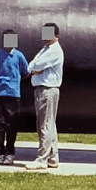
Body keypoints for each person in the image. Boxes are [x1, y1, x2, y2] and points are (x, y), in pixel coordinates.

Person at [26, 22, 64, 170]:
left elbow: (34, 66)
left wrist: (35, 69)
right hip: (44, 90)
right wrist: (35, 69)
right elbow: (31, 66)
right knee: (50, 124)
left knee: (44, 125)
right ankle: (53, 157)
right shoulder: (45, 49)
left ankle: (42, 159)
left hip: (47, 90)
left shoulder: (54, 51)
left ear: (57, 36)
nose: (46, 39)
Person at [0, 29, 30, 165]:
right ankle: (0, 152)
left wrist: (15, 82)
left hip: (13, 94)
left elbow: (26, 72)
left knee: (11, 124)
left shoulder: (19, 56)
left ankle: (10, 152)